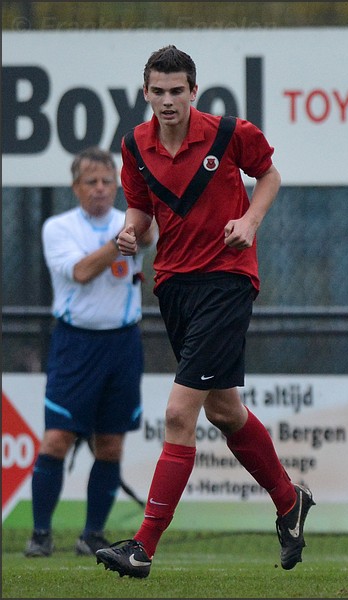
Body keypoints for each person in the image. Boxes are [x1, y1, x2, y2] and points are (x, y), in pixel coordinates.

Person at [95, 45, 314, 579]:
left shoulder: (229, 132)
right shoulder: (134, 145)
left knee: (178, 413)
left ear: (194, 91)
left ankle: (142, 546)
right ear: (145, 93)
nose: (167, 101)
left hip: (227, 279)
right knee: (224, 411)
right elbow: (142, 214)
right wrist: (129, 234)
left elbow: (270, 177)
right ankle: (290, 501)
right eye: (158, 91)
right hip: (173, 284)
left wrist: (251, 223)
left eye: (177, 91)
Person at [25, 147, 156, 558]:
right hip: (75, 344)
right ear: (75, 186)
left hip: (122, 344)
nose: (100, 189)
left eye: (106, 181)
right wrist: (119, 246)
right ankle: (41, 533)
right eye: (91, 182)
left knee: (111, 445)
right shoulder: (58, 228)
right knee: (56, 439)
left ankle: (92, 534)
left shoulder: (129, 223)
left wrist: (142, 222)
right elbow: (80, 272)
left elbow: (150, 236)